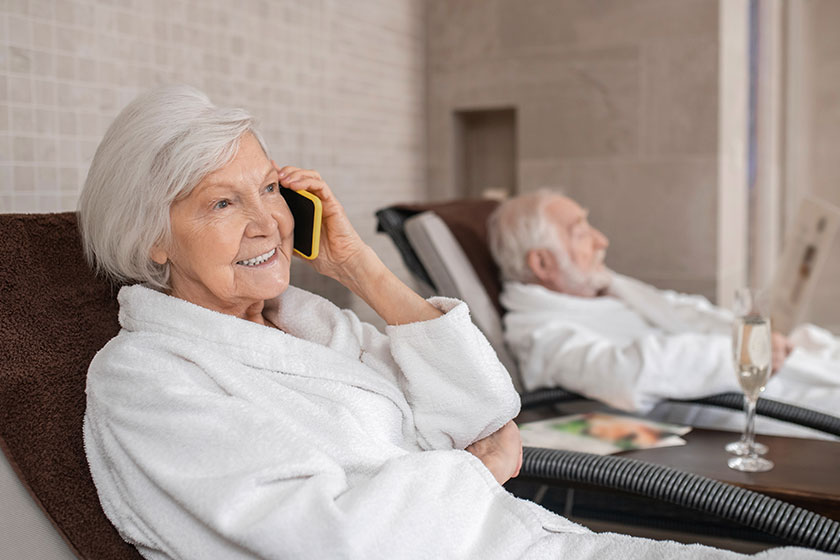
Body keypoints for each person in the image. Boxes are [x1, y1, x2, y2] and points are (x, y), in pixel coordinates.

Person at [79, 85, 828, 560]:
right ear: (151, 236)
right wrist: (475, 472)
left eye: (268, 189)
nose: (265, 223)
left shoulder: (312, 325)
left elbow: (485, 411)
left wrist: (358, 269)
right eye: (221, 202)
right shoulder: (146, 378)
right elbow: (334, 540)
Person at [487, 190, 840, 425]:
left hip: (764, 373)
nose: (601, 240)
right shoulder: (538, 335)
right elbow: (626, 374)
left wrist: (753, 333)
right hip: (740, 412)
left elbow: (678, 308)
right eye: (581, 233)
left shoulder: (602, 288)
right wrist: (743, 353)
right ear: (542, 264)